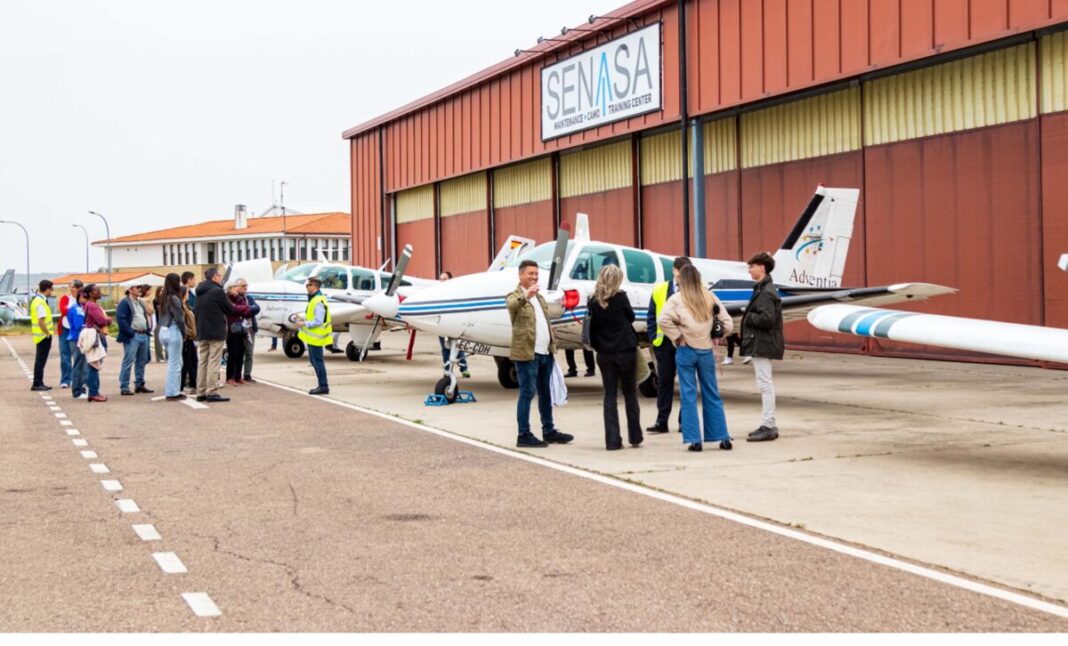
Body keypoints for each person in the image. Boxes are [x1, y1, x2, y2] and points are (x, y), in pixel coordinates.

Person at [658, 264, 734, 452]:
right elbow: (728, 324)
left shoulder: (676, 299)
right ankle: (722, 437)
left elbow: (662, 320)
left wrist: (678, 336)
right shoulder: (709, 297)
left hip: (686, 350)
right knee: (712, 393)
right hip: (706, 350)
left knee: (688, 395)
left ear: (681, 280)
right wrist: (714, 335)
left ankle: (694, 440)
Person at [506, 259, 574, 448]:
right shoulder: (515, 296)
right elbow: (511, 306)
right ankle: (524, 434)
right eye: (530, 273)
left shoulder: (540, 298)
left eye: (536, 274)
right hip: (528, 354)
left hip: (545, 353)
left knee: (546, 393)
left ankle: (549, 430)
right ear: (521, 275)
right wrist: (526, 295)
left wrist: (553, 340)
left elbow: (545, 322)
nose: (534, 276)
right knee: (527, 392)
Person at [587, 265, 642, 451]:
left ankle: (612, 440)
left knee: (609, 395)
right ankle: (635, 435)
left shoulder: (593, 301)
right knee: (630, 393)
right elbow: (631, 317)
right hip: (625, 350)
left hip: (604, 352)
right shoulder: (621, 297)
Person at [741, 251, 785, 442]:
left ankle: (768, 425)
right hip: (761, 342)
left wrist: (748, 315)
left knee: (765, 384)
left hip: (763, 343)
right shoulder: (763, 289)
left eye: (752, 266)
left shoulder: (766, 293)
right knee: (765, 384)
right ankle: (767, 423)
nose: (749, 270)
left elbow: (767, 319)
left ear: (762, 268)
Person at [645, 256, 692, 433]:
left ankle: (684, 421)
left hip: (686, 343)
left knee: (686, 383)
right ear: (675, 270)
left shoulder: (693, 290)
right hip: (664, 344)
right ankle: (661, 421)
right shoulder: (660, 289)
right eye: (682, 271)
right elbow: (651, 316)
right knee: (665, 383)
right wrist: (653, 339)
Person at [194, 267, 244, 402]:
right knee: (213, 361)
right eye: (219, 276)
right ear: (215, 277)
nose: (221, 278)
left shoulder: (199, 290)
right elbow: (229, 308)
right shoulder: (217, 290)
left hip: (202, 330)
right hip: (215, 330)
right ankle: (212, 391)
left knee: (203, 361)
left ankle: (201, 391)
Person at [293, 276, 332, 395]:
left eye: (308, 285)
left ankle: (323, 386)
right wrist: (302, 318)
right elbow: (313, 317)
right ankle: (322, 385)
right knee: (315, 361)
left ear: (314, 286)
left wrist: (303, 323)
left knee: (318, 362)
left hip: (316, 337)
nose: (307, 287)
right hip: (313, 337)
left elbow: (318, 321)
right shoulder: (314, 299)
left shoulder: (318, 300)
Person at [115, 285, 153, 396]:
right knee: (128, 361)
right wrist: (130, 332)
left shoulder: (140, 302)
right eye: (137, 287)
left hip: (143, 334)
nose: (140, 289)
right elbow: (121, 319)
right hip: (133, 335)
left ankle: (139, 384)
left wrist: (147, 329)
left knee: (142, 361)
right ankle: (124, 386)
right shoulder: (124, 302)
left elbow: (149, 313)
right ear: (130, 289)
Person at [157, 273, 186, 401]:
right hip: (173, 330)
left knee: (175, 361)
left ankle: (174, 389)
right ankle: (172, 392)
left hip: (163, 330)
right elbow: (179, 318)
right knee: (175, 363)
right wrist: (184, 332)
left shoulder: (162, 297)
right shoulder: (174, 298)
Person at [81, 284, 112, 402]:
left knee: (93, 365)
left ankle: (94, 391)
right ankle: (93, 392)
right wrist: (109, 320)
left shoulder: (89, 305)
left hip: (93, 335)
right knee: (94, 366)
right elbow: (101, 320)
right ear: (89, 293)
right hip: (96, 337)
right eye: (95, 290)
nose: (98, 291)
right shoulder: (93, 306)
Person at [436, 271, 470, 378]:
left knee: (458, 347)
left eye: (444, 279)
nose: (442, 281)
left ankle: (464, 368)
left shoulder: (457, 292)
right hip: (442, 327)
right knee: (445, 349)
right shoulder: (436, 294)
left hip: (455, 326)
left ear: (451, 280)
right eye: (441, 279)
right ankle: (447, 371)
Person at [224, 279, 253, 386]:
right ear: (230, 288)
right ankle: (229, 377)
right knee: (233, 353)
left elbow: (247, 310)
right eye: (234, 287)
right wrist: (241, 309)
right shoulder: (226, 298)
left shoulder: (240, 298)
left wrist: (240, 309)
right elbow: (232, 309)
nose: (237, 289)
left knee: (241, 353)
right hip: (232, 330)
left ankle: (238, 376)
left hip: (242, 329)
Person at [56, 279, 83, 388]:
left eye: (72, 287)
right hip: (65, 329)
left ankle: (78, 380)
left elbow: (83, 311)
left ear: (78, 288)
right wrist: (74, 310)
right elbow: (64, 311)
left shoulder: (82, 299)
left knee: (78, 356)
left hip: (77, 330)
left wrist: (70, 309)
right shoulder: (65, 298)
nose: (70, 289)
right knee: (65, 356)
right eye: (70, 286)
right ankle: (65, 379)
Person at [30, 279, 55, 392]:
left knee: (40, 360)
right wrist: (47, 333)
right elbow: (41, 321)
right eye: (52, 289)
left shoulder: (38, 300)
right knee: (40, 360)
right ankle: (37, 383)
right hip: (43, 336)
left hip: (40, 336)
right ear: (48, 289)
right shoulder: (40, 302)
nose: (52, 291)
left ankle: (39, 382)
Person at [67, 288, 89, 400]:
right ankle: (77, 391)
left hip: (78, 338)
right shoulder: (77, 310)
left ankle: (81, 389)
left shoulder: (80, 308)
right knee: (79, 365)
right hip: (77, 339)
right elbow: (79, 325)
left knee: (82, 365)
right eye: (85, 297)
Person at [180, 285, 198, 395]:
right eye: (186, 293)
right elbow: (183, 324)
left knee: (193, 362)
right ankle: (180, 387)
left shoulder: (186, 306)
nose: (188, 295)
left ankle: (194, 384)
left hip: (191, 338)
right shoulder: (181, 308)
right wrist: (190, 333)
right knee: (186, 364)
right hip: (187, 338)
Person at [242, 292, 262, 382]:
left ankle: (247, 374)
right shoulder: (236, 298)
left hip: (250, 329)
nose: (245, 288)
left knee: (249, 353)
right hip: (239, 329)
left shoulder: (249, 298)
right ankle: (235, 375)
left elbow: (257, 308)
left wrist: (246, 309)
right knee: (238, 354)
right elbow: (236, 310)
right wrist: (248, 310)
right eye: (243, 286)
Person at [150, 286, 166, 363]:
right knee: (158, 341)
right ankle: (159, 357)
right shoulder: (155, 300)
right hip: (158, 321)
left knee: (167, 340)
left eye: (164, 290)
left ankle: (168, 356)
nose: (162, 292)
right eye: (161, 290)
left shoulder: (167, 300)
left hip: (166, 322)